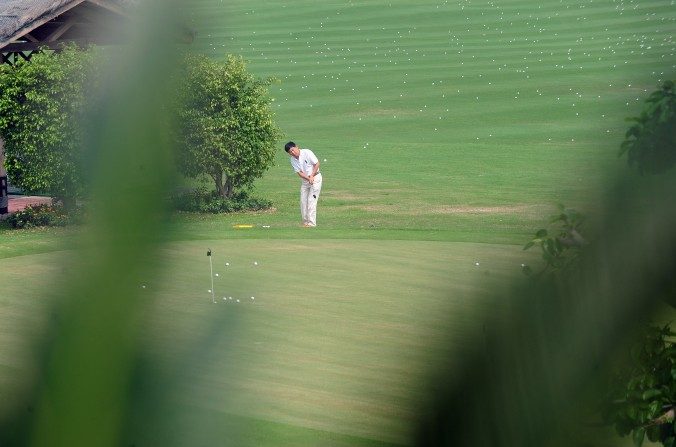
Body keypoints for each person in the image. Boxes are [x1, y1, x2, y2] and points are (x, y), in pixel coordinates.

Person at [284, 141, 322, 227]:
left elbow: (317, 163)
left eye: (293, 150)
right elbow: (299, 173)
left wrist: (312, 176)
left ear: (297, 147)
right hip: (305, 180)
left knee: (311, 201)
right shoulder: (292, 160)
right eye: (290, 152)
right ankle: (305, 223)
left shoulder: (307, 152)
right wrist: (308, 178)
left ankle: (312, 224)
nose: (292, 153)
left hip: (315, 178)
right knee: (303, 201)